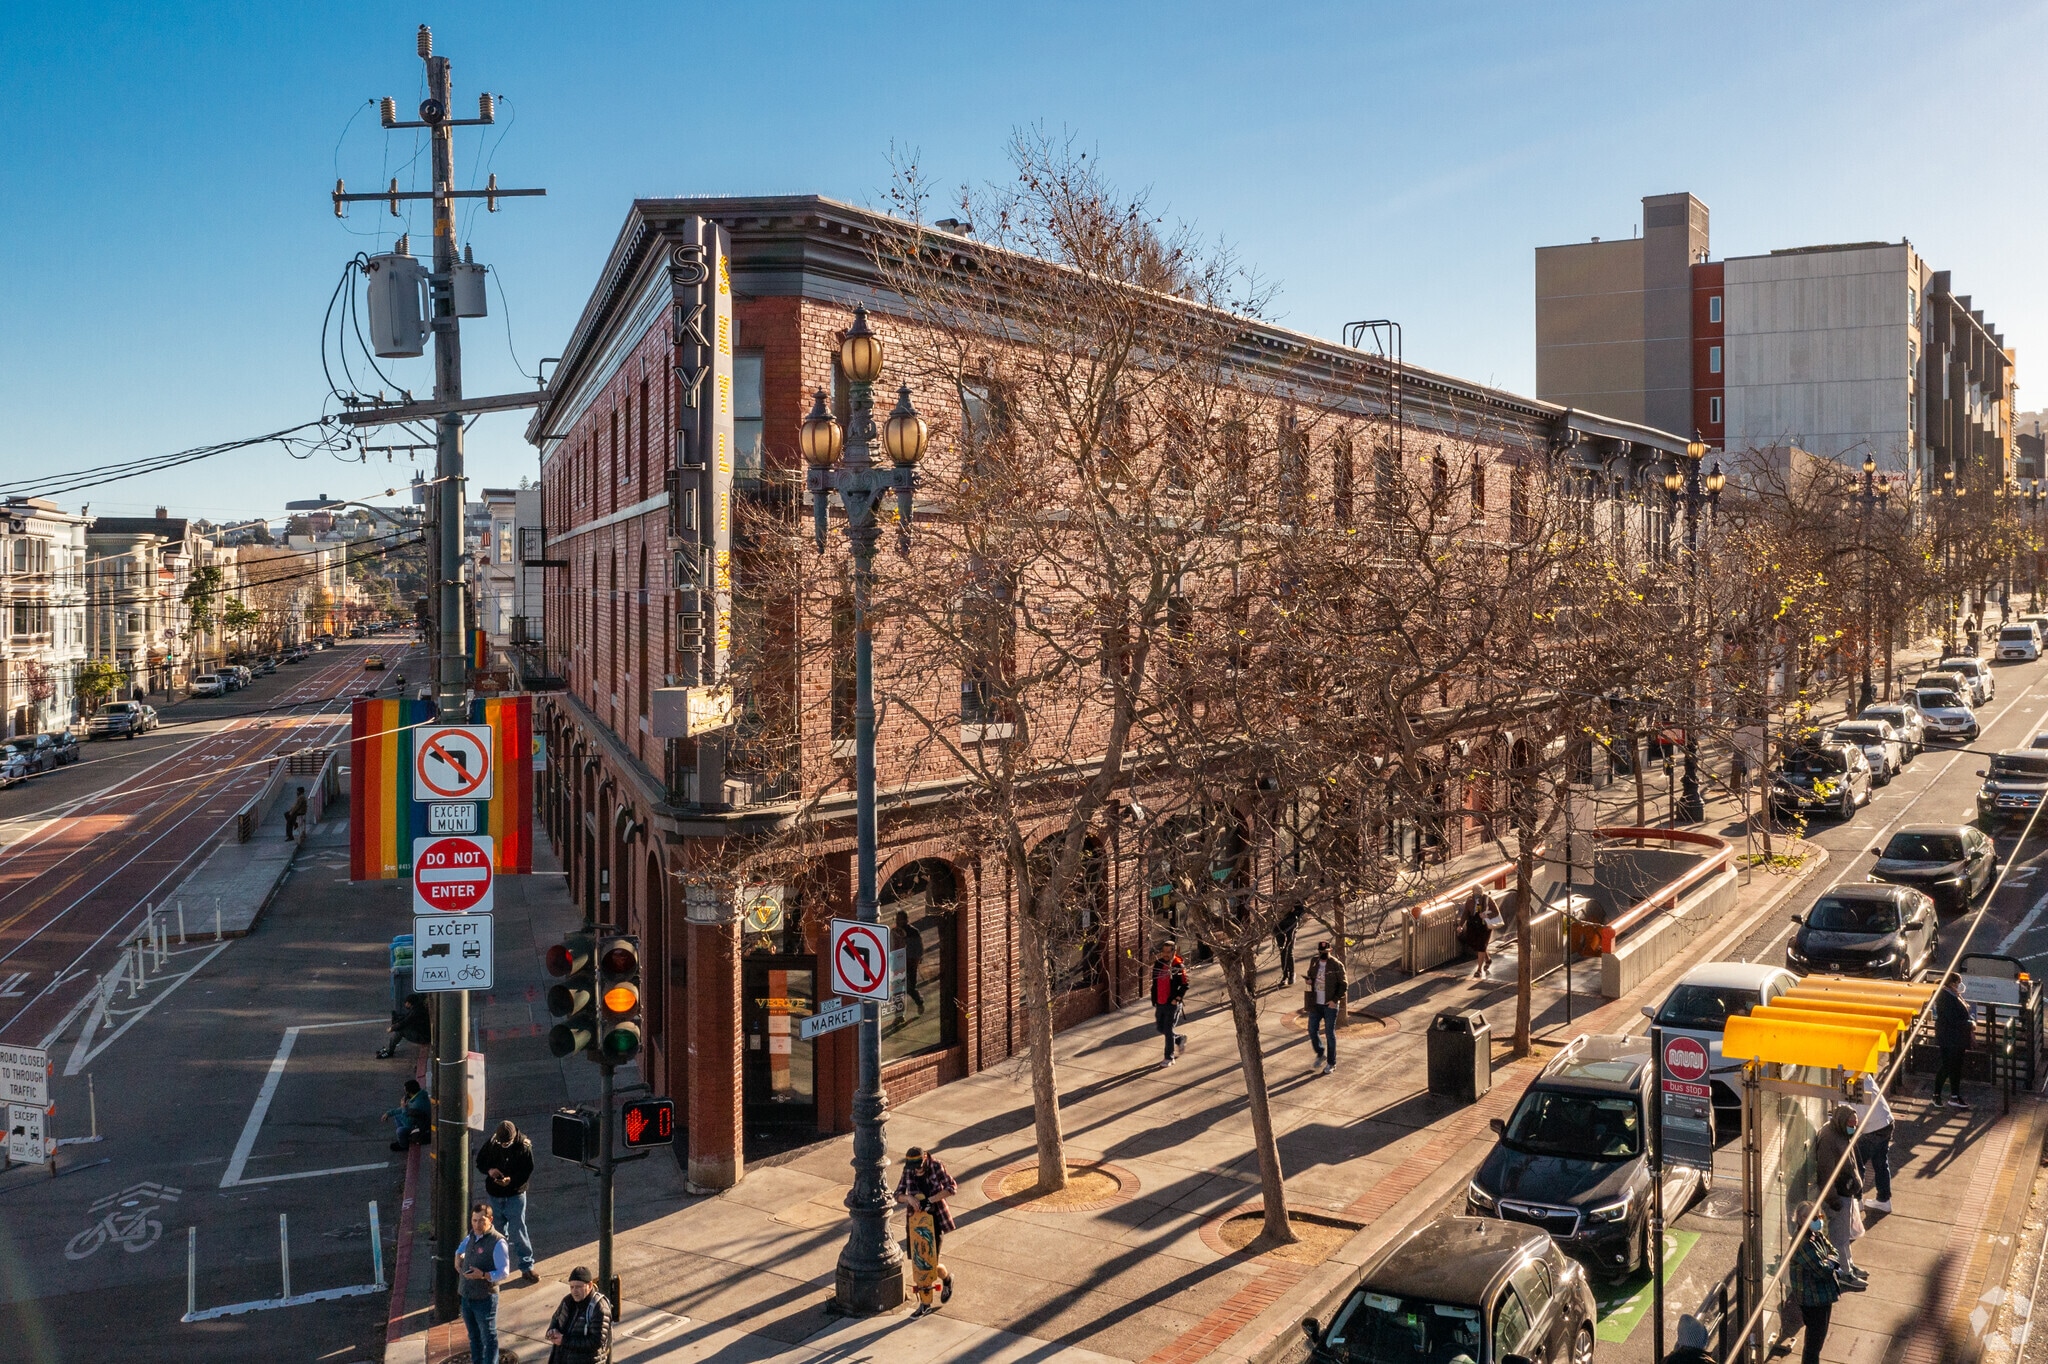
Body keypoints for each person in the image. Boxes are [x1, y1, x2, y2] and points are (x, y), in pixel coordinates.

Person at [476, 1120, 540, 1283]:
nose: (504, 1145)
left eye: (507, 1143)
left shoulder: (523, 1146)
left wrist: (511, 1180)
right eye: (502, 1142)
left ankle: (526, 1267)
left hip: (515, 1195)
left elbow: (527, 1170)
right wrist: (490, 1171)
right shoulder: (492, 1142)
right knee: (497, 1234)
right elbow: (480, 1162)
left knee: (518, 1231)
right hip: (495, 1195)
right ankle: (497, 1268)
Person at [894, 1146, 957, 1306]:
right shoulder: (908, 1170)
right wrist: (908, 1198)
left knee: (930, 1263)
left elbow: (951, 1188)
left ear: (924, 1160)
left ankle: (927, 1301)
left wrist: (931, 1199)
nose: (916, 1171)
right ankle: (941, 1285)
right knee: (920, 1263)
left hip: (935, 1219)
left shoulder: (936, 1165)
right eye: (913, 1169)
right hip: (915, 1222)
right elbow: (896, 1195)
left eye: (918, 1168)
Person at [1788, 1206, 1851, 1364]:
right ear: (1802, 1219)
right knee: (1814, 1343)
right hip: (1813, 1299)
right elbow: (1822, 1270)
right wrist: (1831, 1262)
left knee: (1818, 1338)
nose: (1818, 1221)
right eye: (1814, 1218)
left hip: (1822, 1295)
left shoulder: (1816, 1236)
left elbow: (1834, 1252)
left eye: (1819, 1216)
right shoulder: (1802, 1243)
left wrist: (1830, 1261)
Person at [1814, 1104, 1868, 1283]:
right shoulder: (1830, 1139)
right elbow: (1825, 1173)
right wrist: (1833, 1199)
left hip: (1846, 1191)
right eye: (1851, 1124)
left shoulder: (1841, 1134)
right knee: (1839, 1237)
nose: (1853, 1127)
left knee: (1844, 1234)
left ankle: (1848, 1265)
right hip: (1838, 1195)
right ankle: (1843, 1272)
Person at [455, 1201, 514, 1364]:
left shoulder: (498, 1242)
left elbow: (504, 1272)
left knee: (488, 1337)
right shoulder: (472, 1235)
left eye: (481, 1220)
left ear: (491, 1219)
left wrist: (483, 1275)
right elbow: (462, 1247)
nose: (477, 1224)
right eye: (474, 1220)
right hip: (467, 1295)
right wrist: (457, 1256)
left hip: (485, 1298)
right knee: (474, 1337)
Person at [544, 1265, 612, 1364]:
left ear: (589, 1285)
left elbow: (595, 1342)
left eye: (578, 1287)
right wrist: (552, 1330)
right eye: (572, 1287)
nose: (574, 1291)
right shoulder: (567, 1301)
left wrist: (564, 1341)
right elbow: (556, 1318)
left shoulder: (599, 1308)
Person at [1852, 1074, 1894, 1212]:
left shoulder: (1848, 1083)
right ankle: (1884, 1199)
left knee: (1856, 1163)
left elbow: (1851, 1114)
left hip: (1873, 1128)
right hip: (1886, 1121)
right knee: (1880, 1162)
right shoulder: (1863, 1074)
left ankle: (1857, 1200)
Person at [1305, 940, 1346, 1076]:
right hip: (1316, 1003)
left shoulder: (1336, 965)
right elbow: (1311, 974)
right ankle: (1320, 1052)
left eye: (1325, 952)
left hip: (1330, 1004)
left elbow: (1343, 984)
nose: (1323, 954)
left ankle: (1331, 1062)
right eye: (1321, 952)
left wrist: (1335, 1000)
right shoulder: (1314, 961)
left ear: (1330, 951)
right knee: (1312, 1029)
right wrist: (1309, 980)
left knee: (1329, 1034)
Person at [1933, 974, 1973, 1107]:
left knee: (1954, 1067)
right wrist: (1969, 1024)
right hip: (1950, 1038)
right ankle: (1938, 1095)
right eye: (1958, 982)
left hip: (1955, 1037)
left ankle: (1954, 1096)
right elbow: (1952, 1019)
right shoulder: (1946, 996)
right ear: (1952, 983)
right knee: (1948, 1066)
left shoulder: (1952, 994)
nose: (1960, 985)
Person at [1150, 943, 1189, 1066]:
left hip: (1172, 1003)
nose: (1165, 954)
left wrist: (1176, 999)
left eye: (1168, 952)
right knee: (1160, 1028)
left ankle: (1169, 1057)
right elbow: (1155, 983)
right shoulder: (1158, 964)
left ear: (1174, 952)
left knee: (1167, 1030)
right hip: (1160, 1002)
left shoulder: (1178, 966)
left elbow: (1185, 985)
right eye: (1164, 951)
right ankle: (1179, 1039)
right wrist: (1155, 998)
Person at [378, 991, 431, 1059]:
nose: (405, 1004)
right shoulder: (417, 1008)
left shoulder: (415, 1012)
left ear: (409, 1003)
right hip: (422, 1033)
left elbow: (405, 1022)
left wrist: (393, 1028)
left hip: (423, 1037)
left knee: (400, 1031)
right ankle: (389, 1047)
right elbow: (406, 1018)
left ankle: (390, 1051)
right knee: (401, 1028)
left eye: (406, 1003)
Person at [1457, 889, 1495, 981]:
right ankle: (1488, 959)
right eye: (1475, 893)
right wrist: (1460, 925)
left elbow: (1496, 912)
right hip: (1473, 925)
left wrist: (1486, 915)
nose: (1476, 895)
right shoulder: (1469, 900)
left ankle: (1479, 970)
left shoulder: (1487, 899)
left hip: (1484, 926)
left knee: (1481, 947)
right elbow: (1466, 913)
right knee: (1476, 945)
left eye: (1478, 893)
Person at [894, 910, 926, 1018]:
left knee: (910, 988)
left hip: (910, 964)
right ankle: (899, 1015)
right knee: (897, 991)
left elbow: (918, 949)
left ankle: (919, 1002)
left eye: (900, 919)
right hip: (897, 965)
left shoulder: (913, 932)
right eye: (897, 919)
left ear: (906, 920)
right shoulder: (894, 932)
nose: (898, 921)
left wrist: (916, 960)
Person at [384, 1078, 431, 1151]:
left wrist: (403, 1108)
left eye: (406, 1092)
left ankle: (403, 1145)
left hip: (421, 1127)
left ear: (410, 1092)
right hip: (419, 1120)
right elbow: (406, 1109)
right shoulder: (419, 1096)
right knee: (397, 1116)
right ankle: (405, 1137)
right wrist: (389, 1113)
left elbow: (408, 1123)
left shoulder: (416, 1105)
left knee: (400, 1131)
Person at [1273, 903, 1301, 987]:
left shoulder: (1292, 896)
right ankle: (1285, 975)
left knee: (1289, 951)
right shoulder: (1277, 896)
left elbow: (1301, 910)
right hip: (1279, 927)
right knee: (1282, 952)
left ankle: (1292, 974)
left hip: (1290, 927)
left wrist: (1293, 912)